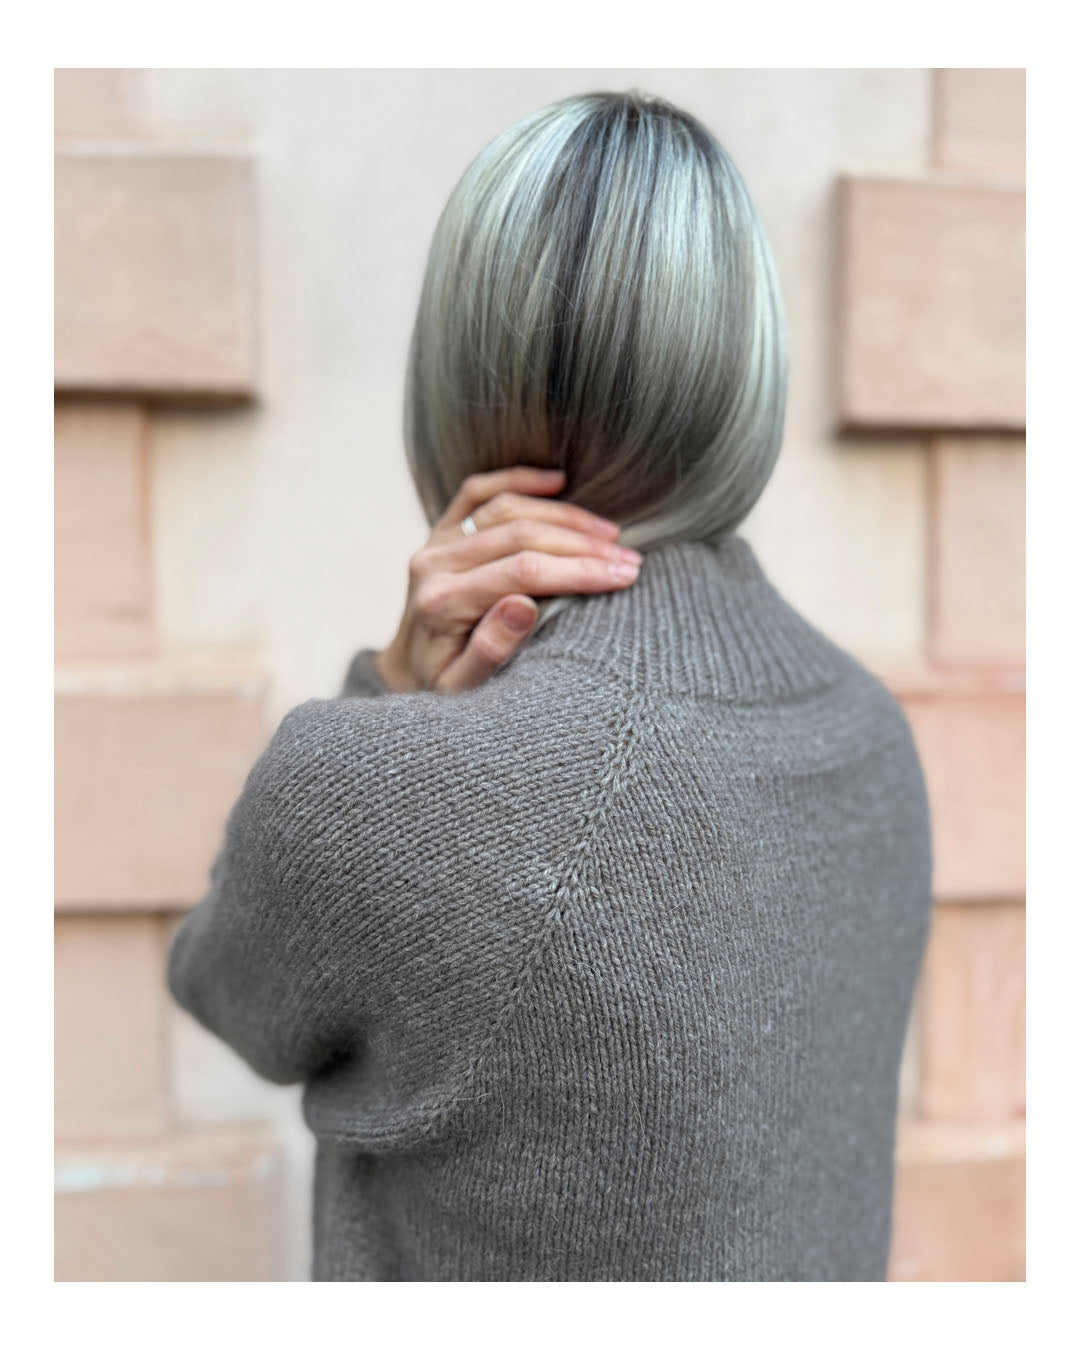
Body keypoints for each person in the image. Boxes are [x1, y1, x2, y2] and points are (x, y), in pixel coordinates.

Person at [167, 89, 932, 1281]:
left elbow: (225, 986)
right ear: (745, 375)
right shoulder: (870, 741)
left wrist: (389, 695)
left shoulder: (375, 788)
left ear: (458, 369)